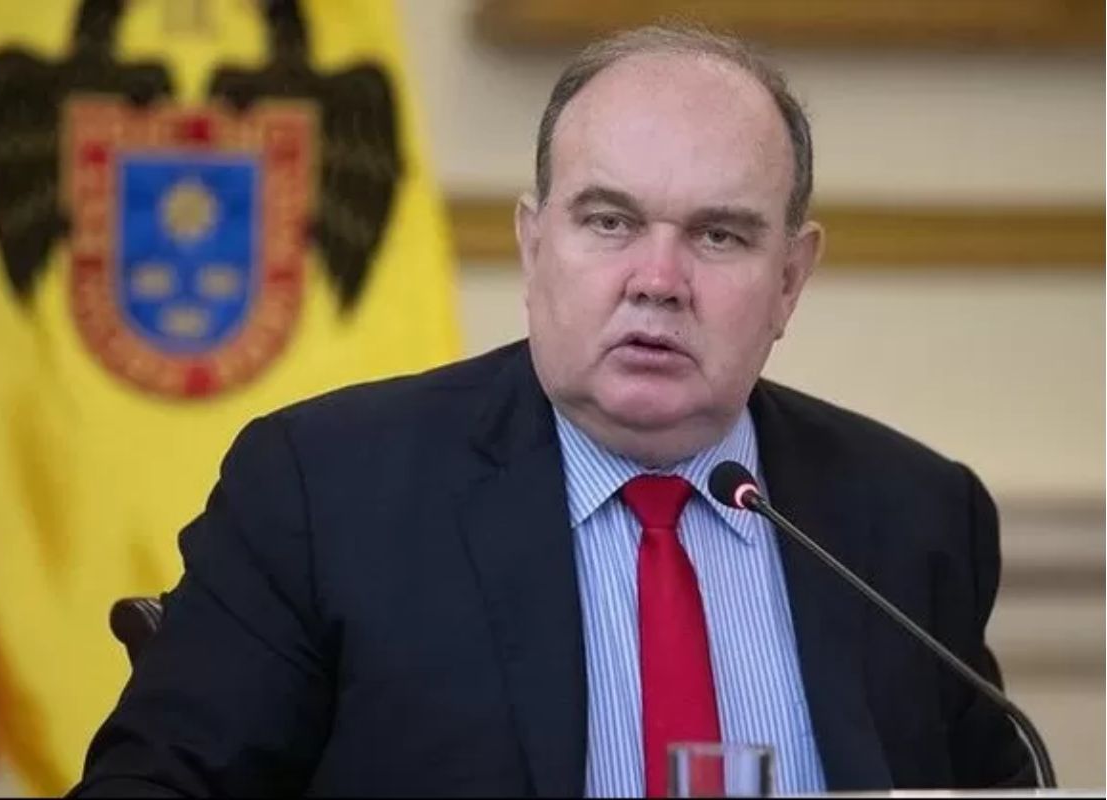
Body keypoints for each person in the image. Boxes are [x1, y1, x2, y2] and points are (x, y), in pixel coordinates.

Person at [72, 23, 1036, 797]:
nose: (657, 280)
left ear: (790, 278)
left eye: (719, 236)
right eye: (609, 221)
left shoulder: (914, 518)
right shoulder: (323, 495)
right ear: (534, 247)